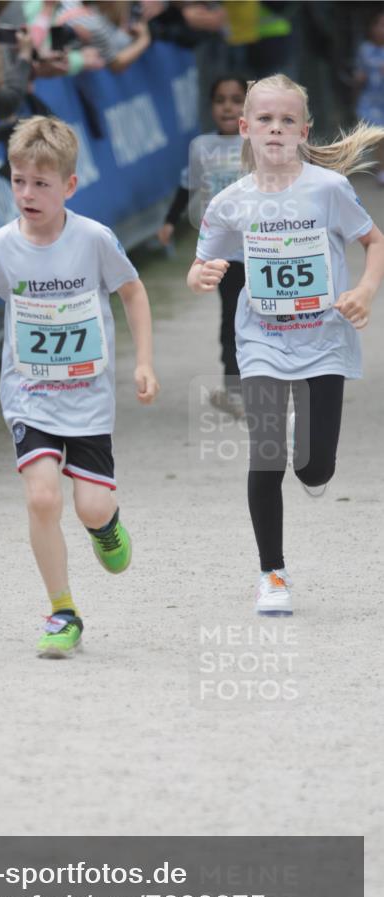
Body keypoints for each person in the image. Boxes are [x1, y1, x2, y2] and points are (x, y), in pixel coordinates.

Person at [0, 115, 159, 657]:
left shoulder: (95, 239)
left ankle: (106, 525)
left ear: (69, 186)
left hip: (89, 398)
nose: (27, 193)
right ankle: (62, 612)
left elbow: (134, 293)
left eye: (41, 184)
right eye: (18, 180)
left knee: (91, 507)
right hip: (30, 396)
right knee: (43, 497)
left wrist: (144, 362)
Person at [187, 74, 384, 616]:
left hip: (324, 338)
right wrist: (200, 277)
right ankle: (272, 573)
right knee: (266, 453)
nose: (276, 129)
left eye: (288, 120)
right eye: (266, 120)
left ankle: (308, 448)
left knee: (317, 469)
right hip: (262, 339)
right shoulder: (231, 201)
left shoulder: (328, 190)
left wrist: (364, 290)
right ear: (245, 129)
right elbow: (202, 262)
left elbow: (374, 240)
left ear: (304, 130)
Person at [158, 75, 247, 416]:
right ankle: (234, 389)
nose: (228, 106)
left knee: (270, 316)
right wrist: (169, 222)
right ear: (211, 107)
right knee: (232, 319)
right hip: (225, 255)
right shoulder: (203, 147)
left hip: (264, 249)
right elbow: (188, 186)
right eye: (221, 99)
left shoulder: (259, 143)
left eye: (236, 98)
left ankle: (272, 384)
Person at [354, 7, 384, 186]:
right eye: (380, 25)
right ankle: (381, 169)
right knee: (380, 136)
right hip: (372, 101)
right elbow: (359, 74)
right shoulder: (365, 49)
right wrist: (359, 79)